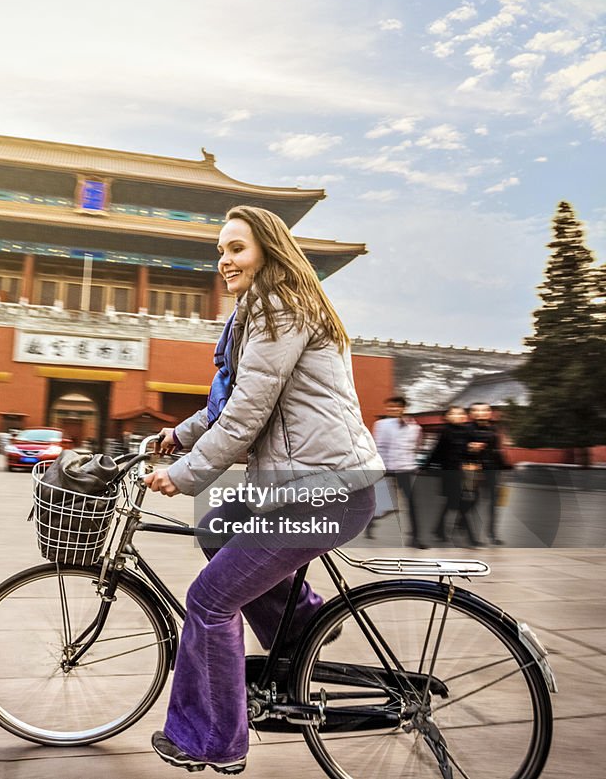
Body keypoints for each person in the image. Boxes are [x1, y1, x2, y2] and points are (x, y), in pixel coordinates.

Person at [143, 206, 384, 774]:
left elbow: (245, 416)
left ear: (268, 251)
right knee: (217, 525)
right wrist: (173, 439)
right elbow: (229, 403)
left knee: (209, 601)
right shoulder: (257, 314)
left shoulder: (280, 309)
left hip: (327, 490)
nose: (224, 261)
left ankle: (214, 740)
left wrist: (182, 476)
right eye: (221, 251)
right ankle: (302, 627)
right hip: (299, 487)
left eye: (236, 249)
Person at [369, 396, 425, 548]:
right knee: (383, 503)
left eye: (397, 407)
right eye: (390, 407)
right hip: (387, 469)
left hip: (406, 469)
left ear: (403, 408)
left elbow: (414, 448)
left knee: (413, 503)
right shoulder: (380, 425)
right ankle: (370, 523)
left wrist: (414, 466)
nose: (393, 410)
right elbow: (378, 447)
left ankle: (415, 538)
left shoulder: (414, 427)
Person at [424, 405, 482, 547]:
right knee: (459, 502)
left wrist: (473, 450)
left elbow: (472, 453)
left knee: (455, 503)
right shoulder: (445, 431)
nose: (458, 415)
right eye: (454, 413)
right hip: (450, 472)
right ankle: (471, 538)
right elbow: (437, 451)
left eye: (460, 413)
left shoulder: (469, 431)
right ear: (447, 417)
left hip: (466, 472)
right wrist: (426, 466)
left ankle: (438, 530)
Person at [466, 402, 507, 545]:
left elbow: (496, 450)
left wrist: (504, 467)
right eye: (477, 411)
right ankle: (466, 529)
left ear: (490, 413)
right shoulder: (467, 429)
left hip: (493, 470)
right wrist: (470, 448)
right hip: (475, 471)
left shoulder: (494, 429)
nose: (481, 413)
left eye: (484, 410)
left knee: (493, 503)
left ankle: (492, 534)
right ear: (472, 414)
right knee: (472, 501)